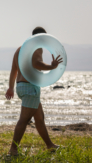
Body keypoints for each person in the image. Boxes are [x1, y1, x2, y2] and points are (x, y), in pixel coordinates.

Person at [5, 27, 63, 156]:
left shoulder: (20, 49)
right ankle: (13, 150)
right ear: (41, 37)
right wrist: (51, 66)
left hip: (22, 86)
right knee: (24, 120)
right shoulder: (37, 47)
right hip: (30, 87)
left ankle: (50, 146)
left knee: (39, 118)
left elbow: (13, 71)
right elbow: (36, 63)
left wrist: (11, 87)